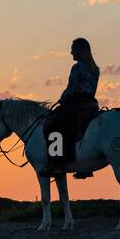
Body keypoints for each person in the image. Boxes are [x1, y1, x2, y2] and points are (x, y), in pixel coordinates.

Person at [48, 37, 100, 169]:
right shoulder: (95, 69)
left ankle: (56, 162)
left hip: (77, 103)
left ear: (79, 50)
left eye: (73, 49)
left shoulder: (77, 68)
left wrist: (61, 99)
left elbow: (71, 89)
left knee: (53, 124)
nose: (71, 52)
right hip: (91, 104)